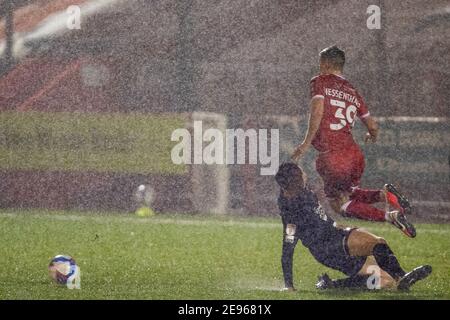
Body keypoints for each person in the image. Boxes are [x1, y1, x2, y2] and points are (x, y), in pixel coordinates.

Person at [291, 45, 415, 237]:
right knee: (351, 192)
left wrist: (306, 142)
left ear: (323, 64)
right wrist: (371, 136)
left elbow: (317, 110)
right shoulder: (352, 91)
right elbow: (373, 126)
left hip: (332, 157)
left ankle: (390, 217)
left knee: (340, 204)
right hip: (354, 154)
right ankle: (384, 195)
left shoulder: (320, 82)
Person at [275, 162, 431, 291]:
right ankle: (333, 285)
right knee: (385, 281)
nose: (304, 173)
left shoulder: (301, 190)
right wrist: (289, 285)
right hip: (328, 250)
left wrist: (336, 224)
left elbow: (320, 218)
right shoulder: (291, 212)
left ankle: (401, 277)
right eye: (300, 172)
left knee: (380, 249)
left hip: (337, 234)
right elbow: (287, 250)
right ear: (295, 180)